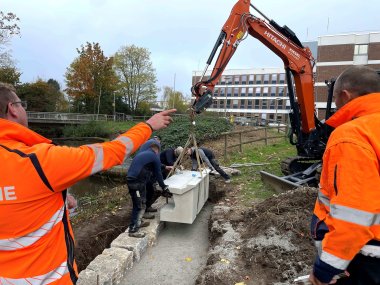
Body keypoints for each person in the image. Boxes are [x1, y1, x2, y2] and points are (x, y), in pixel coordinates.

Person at [0, 82, 176, 284]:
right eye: (22, 104)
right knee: (139, 203)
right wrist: (148, 125)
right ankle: (135, 227)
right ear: (12, 108)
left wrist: (57, 199)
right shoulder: (40, 162)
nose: (25, 109)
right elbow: (113, 151)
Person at [308, 66, 380, 285]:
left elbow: (353, 216)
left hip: (366, 260)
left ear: (344, 95)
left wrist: (325, 269)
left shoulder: (352, 135)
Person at [126, 140, 172, 238]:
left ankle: (139, 221)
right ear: (157, 149)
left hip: (133, 181)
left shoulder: (144, 154)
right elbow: (159, 174)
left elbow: (155, 167)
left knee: (140, 202)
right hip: (137, 183)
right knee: (139, 205)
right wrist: (164, 187)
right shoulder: (154, 156)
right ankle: (133, 230)